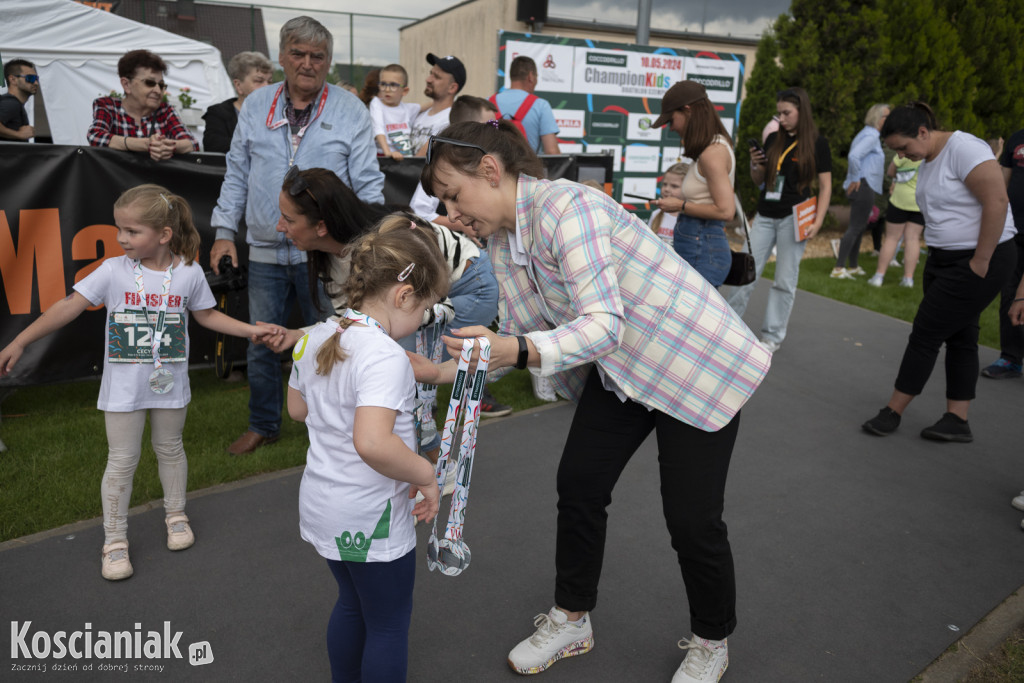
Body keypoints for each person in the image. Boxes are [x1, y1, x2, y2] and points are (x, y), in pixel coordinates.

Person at [415, 120, 772, 683]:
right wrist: (447, 368)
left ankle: (712, 639)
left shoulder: (566, 207)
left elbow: (598, 325)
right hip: (623, 374)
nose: (454, 213)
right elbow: (526, 332)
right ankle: (572, 616)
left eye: (454, 195)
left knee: (692, 519)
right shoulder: (505, 241)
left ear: (490, 169)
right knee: (579, 483)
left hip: (692, 368)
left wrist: (512, 348)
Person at [0, 185, 281, 580]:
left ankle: (176, 515)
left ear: (163, 235)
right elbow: (68, 305)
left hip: (170, 386)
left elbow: (206, 316)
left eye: (131, 231)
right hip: (123, 390)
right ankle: (114, 540)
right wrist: (20, 340)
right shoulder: (112, 270)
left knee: (170, 448)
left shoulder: (188, 272)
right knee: (122, 460)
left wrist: (250, 330)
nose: (121, 239)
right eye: (120, 229)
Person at [209, 16, 386, 455]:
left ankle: (336, 428)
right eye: (298, 54)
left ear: (328, 62)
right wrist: (224, 232)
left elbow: (368, 183)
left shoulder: (351, 110)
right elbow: (236, 174)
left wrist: (367, 245)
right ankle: (263, 424)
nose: (307, 63)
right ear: (282, 57)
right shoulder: (254, 105)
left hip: (328, 252)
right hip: (267, 249)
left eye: (317, 56)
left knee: (336, 341)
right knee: (262, 342)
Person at [288, 215, 447, 681]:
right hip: (368, 513)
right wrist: (426, 474)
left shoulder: (315, 335)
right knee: (388, 623)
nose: (421, 321)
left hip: (322, 504)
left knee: (354, 605)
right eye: (425, 309)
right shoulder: (384, 355)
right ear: (403, 296)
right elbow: (373, 443)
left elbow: (299, 411)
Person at [270, 167, 503, 426]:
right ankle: (423, 434)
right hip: (422, 299)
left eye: (288, 220)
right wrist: (297, 334)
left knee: (404, 366)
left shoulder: (385, 243)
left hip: (469, 285)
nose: (280, 227)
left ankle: (435, 430)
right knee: (401, 362)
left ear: (321, 226)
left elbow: (399, 313)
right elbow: (351, 317)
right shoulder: (332, 261)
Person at [861, 102, 1016, 443]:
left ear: (923, 131)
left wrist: (980, 260)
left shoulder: (963, 148)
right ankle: (957, 419)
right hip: (945, 258)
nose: (903, 156)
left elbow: (997, 201)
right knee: (961, 335)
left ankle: (893, 410)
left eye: (904, 147)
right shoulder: (928, 156)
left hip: (979, 258)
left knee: (926, 332)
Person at [726, 87, 833, 353]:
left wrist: (818, 221)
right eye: (779, 113)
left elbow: (825, 184)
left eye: (787, 113)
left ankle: (772, 337)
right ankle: (728, 325)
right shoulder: (774, 139)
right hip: (765, 214)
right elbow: (759, 180)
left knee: (785, 279)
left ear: (801, 111)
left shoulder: (818, 143)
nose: (781, 118)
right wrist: (755, 164)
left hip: (794, 217)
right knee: (745, 270)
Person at [652, 80, 737, 287]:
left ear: (688, 110)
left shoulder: (713, 152)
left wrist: (679, 206)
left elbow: (726, 211)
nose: (671, 128)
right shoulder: (710, 148)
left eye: (671, 120)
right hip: (700, 246)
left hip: (703, 247)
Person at [87, 50, 198, 161]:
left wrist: (166, 146)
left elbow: (192, 144)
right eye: (149, 82)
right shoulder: (108, 106)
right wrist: (146, 144)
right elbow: (95, 136)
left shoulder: (165, 111)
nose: (158, 90)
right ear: (127, 85)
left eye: (161, 85)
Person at [980, 127, 1024, 379]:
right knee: (1009, 294)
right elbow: (1002, 184)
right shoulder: (1017, 139)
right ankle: (1011, 358)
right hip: (1014, 230)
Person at [832, 104, 890, 279]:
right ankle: (838, 268)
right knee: (856, 226)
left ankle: (853, 266)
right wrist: (856, 178)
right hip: (863, 185)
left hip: (864, 185)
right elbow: (854, 156)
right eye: (887, 116)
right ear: (878, 118)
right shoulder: (871, 136)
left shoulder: (866, 134)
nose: (889, 119)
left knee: (859, 226)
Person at [868, 155, 924, 287]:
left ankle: (879, 276)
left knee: (891, 239)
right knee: (913, 239)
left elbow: (890, 171)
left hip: (899, 199)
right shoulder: (926, 155)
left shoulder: (904, 152)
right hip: (919, 201)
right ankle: (908, 279)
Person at [202, 51, 273, 153]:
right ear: (238, 85)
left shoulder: (279, 112)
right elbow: (213, 147)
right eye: (259, 81)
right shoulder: (219, 114)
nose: (267, 86)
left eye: (270, 81)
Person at [490, 55, 560, 155]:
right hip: (526, 169)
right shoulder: (541, 106)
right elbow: (552, 151)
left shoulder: (488, 103)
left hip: (493, 168)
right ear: (531, 77)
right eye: (536, 77)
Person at [411, 53, 466, 155]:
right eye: (431, 73)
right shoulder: (420, 114)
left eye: (436, 77)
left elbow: (418, 160)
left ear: (452, 88)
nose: (428, 79)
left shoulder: (451, 121)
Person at [369, 63, 421, 160]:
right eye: (383, 84)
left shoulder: (407, 108)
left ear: (404, 91)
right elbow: (378, 128)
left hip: (406, 157)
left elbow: (422, 107)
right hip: (385, 158)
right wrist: (388, 152)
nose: (387, 89)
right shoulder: (377, 104)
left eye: (393, 85)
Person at [647, 162, 691, 246]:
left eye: (674, 186)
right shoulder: (656, 214)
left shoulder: (692, 219)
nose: (666, 189)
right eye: (664, 184)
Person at [0, 59, 38, 142]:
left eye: (36, 78)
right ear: (13, 79)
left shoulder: (14, 103)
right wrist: (18, 134)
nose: (35, 83)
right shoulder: (11, 103)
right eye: (30, 78)